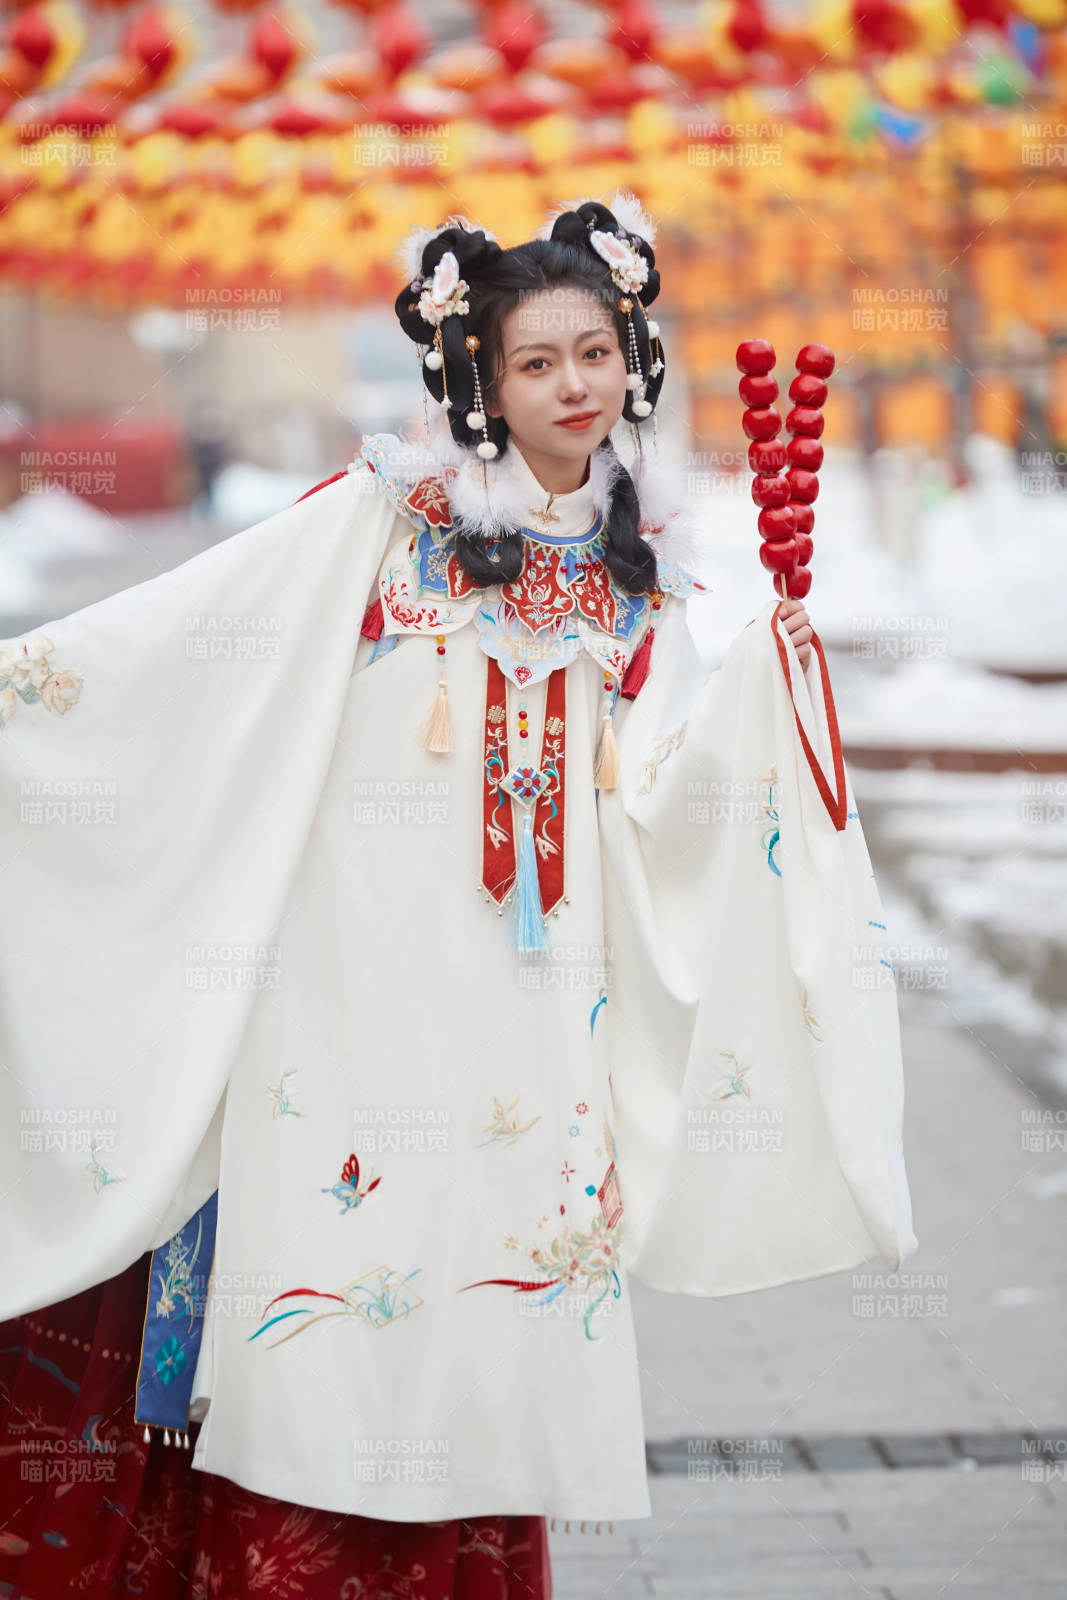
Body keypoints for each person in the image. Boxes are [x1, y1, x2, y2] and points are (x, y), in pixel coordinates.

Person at [0, 191, 917, 1597]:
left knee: (497, 1291)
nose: (573, 386)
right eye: (536, 361)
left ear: (631, 363)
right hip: (347, 987)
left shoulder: (643, 590)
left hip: (536, 1016)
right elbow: (193, 639)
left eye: (595, 353)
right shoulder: (379, 519)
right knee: (340, 1280)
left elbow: (667, 802)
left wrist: (763, 687)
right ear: (478, 378)